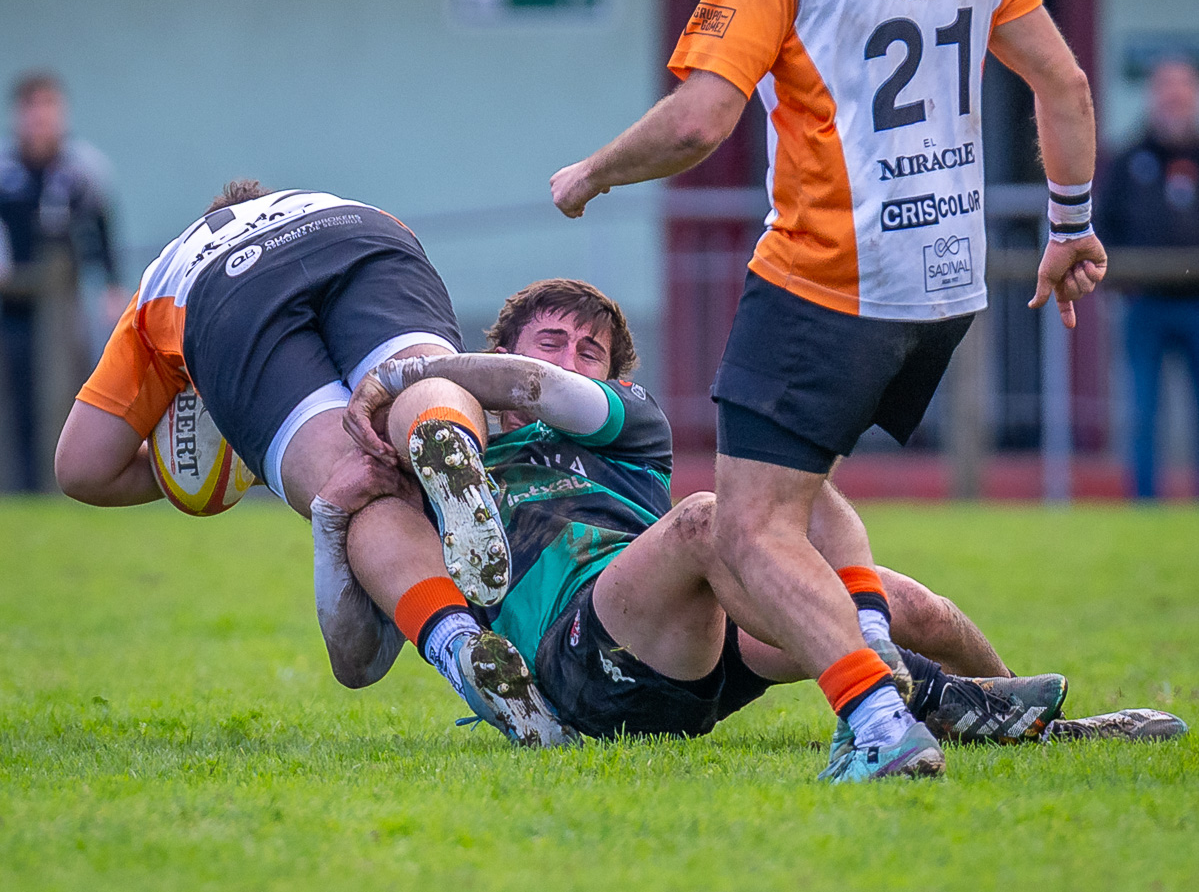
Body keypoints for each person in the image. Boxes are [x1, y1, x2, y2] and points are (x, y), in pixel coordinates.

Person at [549, 0, 1108, 782]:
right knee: (806, 491)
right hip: (942, 283)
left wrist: (594, 172)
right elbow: (1063, 82)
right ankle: (908, 663)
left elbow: (699, 121)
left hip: (825, 278)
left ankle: (878, 719)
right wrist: (1068, 229)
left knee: (746, 526)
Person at [341, 278, 1184, 756]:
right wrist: (352, 483)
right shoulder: (443, 453)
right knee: (705, 521)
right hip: (575, 665)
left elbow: (541, 390)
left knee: (897, 595)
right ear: (498, 350)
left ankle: (1028, 723)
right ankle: (916, 694)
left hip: (682, 639)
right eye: (550, 341)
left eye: (587, 350)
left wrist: (411, 371)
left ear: (613, 376)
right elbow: (353, 647)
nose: (569, 359)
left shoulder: (629, 419)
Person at [54, 180, 571, 750]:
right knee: (415, 380)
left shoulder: (171, 269)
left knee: (359, 486)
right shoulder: (328, 201)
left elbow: (82, 468)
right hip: (368, 237)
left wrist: (247, 442)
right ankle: (448, 440)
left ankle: (457, 643)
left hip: (226, 289)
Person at [0, 71, 123, 491]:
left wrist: (111, 287)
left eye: (48, 107)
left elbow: (100, 231)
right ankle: (25, 488)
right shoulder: (6, 172)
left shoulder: (81, 170)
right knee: (19, 397)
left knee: (71, 390)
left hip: (63, 305)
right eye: (32, 108)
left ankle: (69, 483)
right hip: (13, 305)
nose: (40, 118)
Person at [1096, 57, 1199, 500]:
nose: (1174, 95)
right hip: (1145, 306)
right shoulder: (1128, 159)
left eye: (1183, 85)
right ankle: (1144, 504)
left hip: (1196, 304)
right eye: (1166, 86)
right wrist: (1120, 280)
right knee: (1141, 411)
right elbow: (1102, 226)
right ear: (1153, 95)